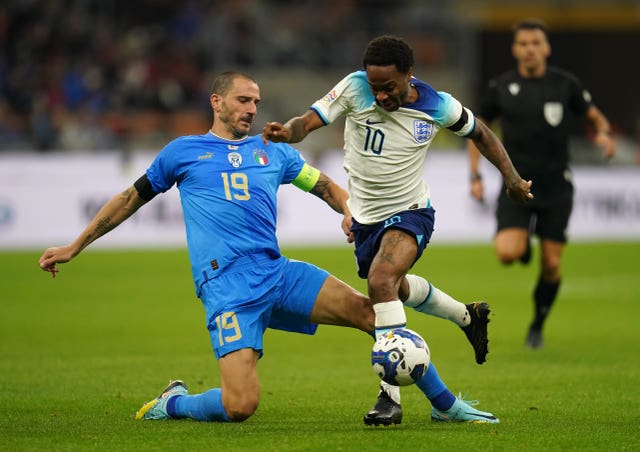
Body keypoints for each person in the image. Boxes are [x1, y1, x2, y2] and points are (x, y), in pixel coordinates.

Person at [39, 71, 500, 424]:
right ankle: (173, 402)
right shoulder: (182, 152)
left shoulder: (272, 151)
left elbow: (321, 185)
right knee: (242, 406)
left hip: (277, 273)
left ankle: (446, 406)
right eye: (243, 100)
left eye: (256, 102)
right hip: (226, 286)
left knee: (372, 313)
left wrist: (349, 210)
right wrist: (76, 246)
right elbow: (127, 200)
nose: (251, 109)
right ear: (216, 102)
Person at [262, 35, 532, 426]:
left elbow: (483, 134)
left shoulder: (437, 104)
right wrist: (288, 133)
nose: (381, 96)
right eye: (376, 88)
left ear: (410, 75)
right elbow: (307, 121)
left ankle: (390, 398)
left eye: (389, 87)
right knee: (394, 291)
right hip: (366, 219)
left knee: (382, 280)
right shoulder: (355, 87)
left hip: (411, 212)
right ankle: (466, 317)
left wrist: (511, 178)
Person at [467, 19, 616, 349]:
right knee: (508, 253)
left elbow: (593, 116)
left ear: (546, 47)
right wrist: (475, 176)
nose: (530, 49)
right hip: (515, 185)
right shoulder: (501, 87)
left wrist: (603, 133)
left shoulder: (565, 84)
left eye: (536, 42)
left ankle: (537, 325)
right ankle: (524, 246)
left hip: (556, 186)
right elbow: (476, 132)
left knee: (551, 264)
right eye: (523, 43)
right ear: (515, 49)